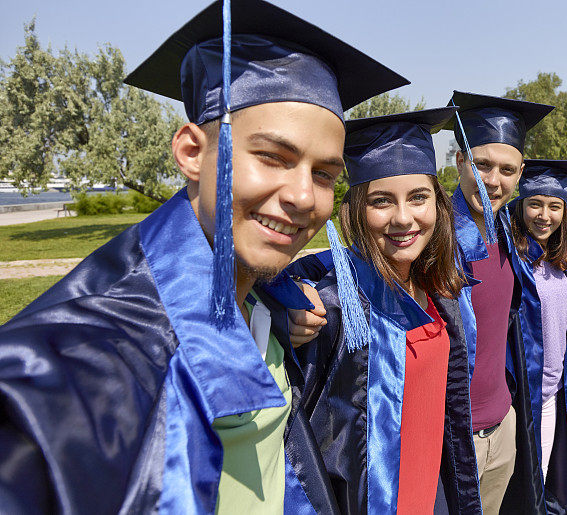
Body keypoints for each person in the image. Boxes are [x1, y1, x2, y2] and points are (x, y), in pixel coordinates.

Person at [0, 1, 407, 513]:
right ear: (192, 152)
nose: (304, 197)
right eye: (272, 157)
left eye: (324, 174)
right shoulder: (92, 364)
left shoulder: (263, 301)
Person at [286, 108, 481, 514]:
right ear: (356, 208)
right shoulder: (333, 306)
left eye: (418, 198)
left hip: (434, 492)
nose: (403, 218)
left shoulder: (440, 287)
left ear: (438, 205)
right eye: (381, 201)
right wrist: (276, 312)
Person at [446, 91, 554, 514]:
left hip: (503, 424)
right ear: (459, 161)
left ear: (520, 173)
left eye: (506, 170)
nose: (493, 180)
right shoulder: (426, 234)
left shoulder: (510, 233)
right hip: (450, 436)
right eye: (481, 164)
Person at [507, 160, 567, 514]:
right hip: (519, 400)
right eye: (534, 203)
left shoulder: (561, 260)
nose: (544, 215)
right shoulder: (511, 257)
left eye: (554, 206)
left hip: (551, 398)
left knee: (538, 481)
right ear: (521, 205)